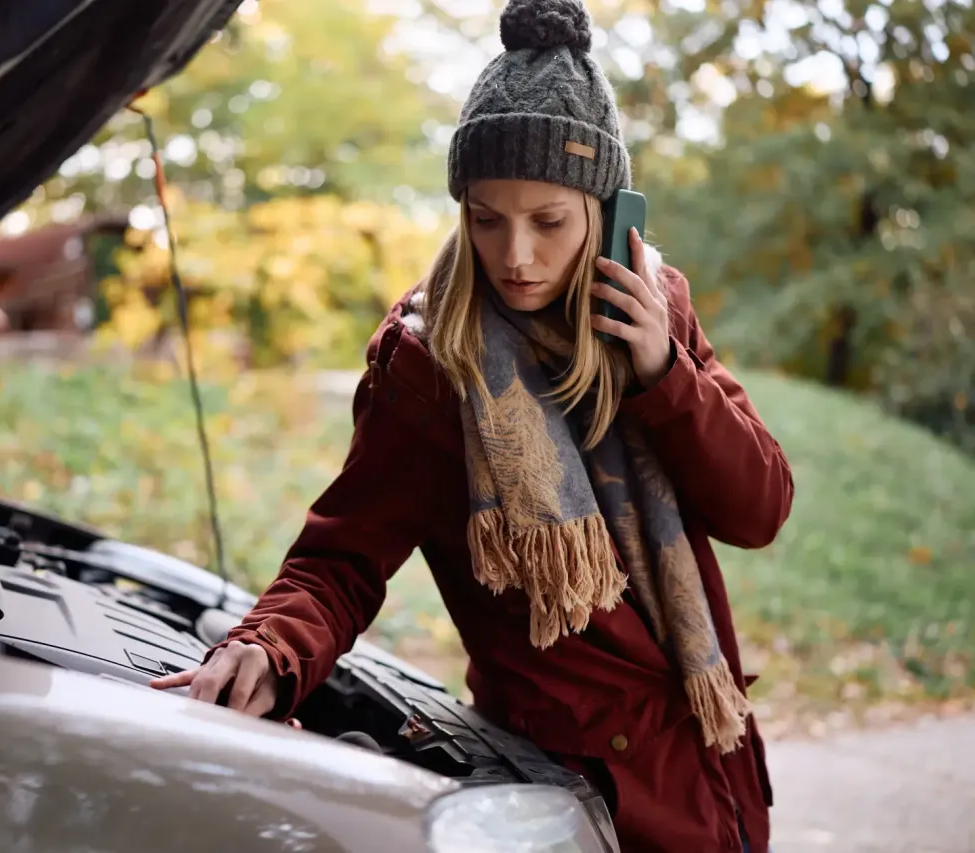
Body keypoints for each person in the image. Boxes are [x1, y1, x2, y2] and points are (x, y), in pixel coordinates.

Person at [153, 0, 793, 849]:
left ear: (607, 212)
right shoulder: (429, 363)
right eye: (487, 219)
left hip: (713, 770)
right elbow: (344, 557)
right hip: (576, 797)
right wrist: (270, 647)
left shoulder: (654, 310)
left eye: (549, 221)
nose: (515, 256)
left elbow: (760, 509)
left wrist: (664, 375)